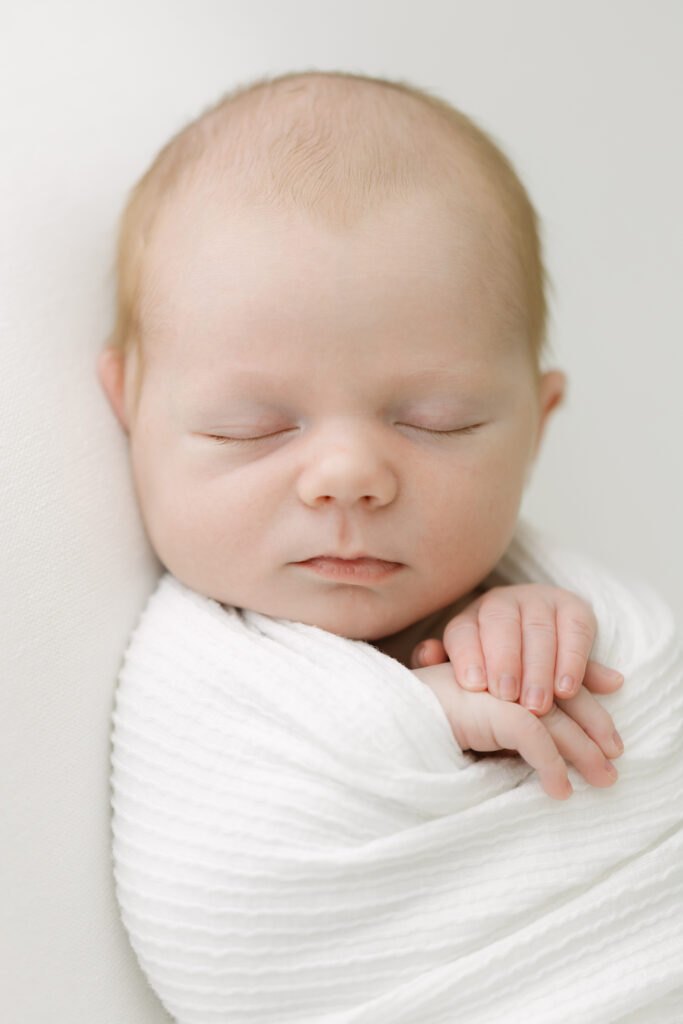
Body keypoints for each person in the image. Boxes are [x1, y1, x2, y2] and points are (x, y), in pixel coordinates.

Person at [97, 68, 625, 802]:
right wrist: (421, 717)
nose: (346, 476)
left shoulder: (538, 602)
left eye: (437, 420)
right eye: (250, 428)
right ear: (128, 404)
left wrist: (534, 644)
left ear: (537, 425)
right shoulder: (182, 666)